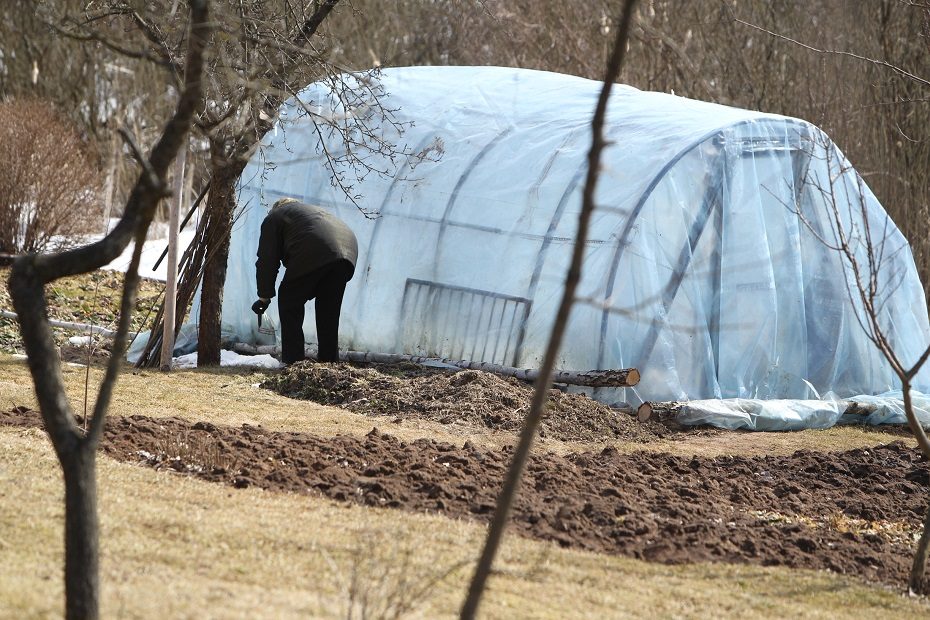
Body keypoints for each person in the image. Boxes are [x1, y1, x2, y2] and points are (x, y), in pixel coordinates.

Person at [252, 197, 358, 364]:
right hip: (347, 252)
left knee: (289, 300)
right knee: (328, 311)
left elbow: (267, 260)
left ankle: (293, 363)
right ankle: (329, 363)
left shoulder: (275, 217)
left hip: (315, 247)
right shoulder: (310, 212)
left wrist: (264, 296)